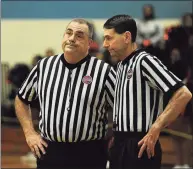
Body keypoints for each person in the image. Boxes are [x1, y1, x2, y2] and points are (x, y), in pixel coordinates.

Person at [15, 18, 116, 169]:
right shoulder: (44, 66)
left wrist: (118, 139)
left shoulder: (104, 71)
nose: (72, 38)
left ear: (89, 43)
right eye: (68, 33)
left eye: (79, 35)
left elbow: (123, 107)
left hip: (90, 153)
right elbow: (21, 99)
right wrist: (30, 133)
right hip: (50, 151)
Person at [103, 14, 192, 169]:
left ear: (126, 37)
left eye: (109, 38)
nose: (104, 44)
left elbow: (183, 94)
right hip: (120, 142)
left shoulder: (144, 61)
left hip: (141, 144)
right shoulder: (121, 66)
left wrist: (156, 128)